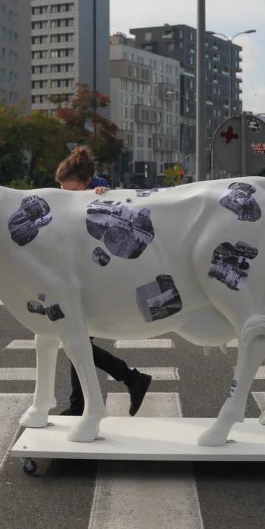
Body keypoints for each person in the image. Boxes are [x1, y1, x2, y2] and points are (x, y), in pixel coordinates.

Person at [54, 146, 153, 417]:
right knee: (77, 344)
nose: (68, 198)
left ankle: (126, 381)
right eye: (64, 192)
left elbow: (114, 208)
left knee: (77, 343)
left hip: (98, 281)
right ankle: (124, 383)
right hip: (82, 281)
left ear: (87, 184)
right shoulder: (71, 199)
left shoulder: (101, 194)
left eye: (73, 192)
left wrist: (102, 193)